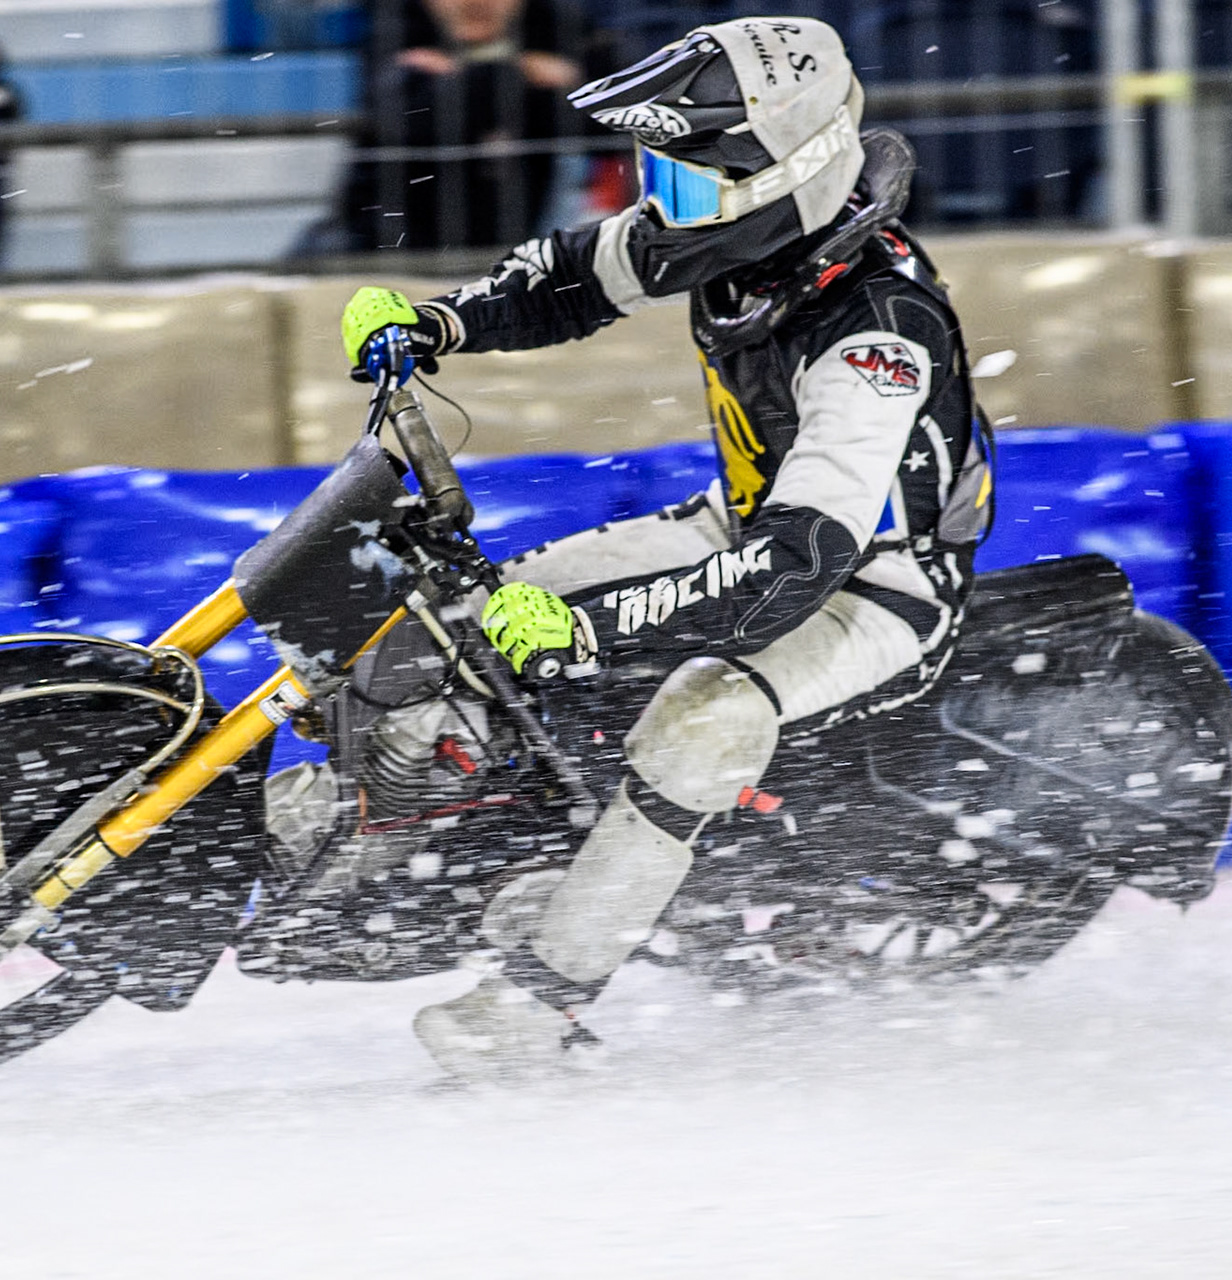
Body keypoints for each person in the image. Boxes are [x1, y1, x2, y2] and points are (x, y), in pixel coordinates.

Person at [335, 16, 995, 1080]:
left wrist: (591, 628)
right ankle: (441, 853)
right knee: (470, 619)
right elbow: (570, 279)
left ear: (794, 176)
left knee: (700, 721)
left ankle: (535, 1011)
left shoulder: (877, 330)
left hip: (876, 583)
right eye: (659, 175)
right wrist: (438, 324)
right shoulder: (746, 246)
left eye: (685, 184)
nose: (660, 208)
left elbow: (804, 558)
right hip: (746, 522)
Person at [310, 0, 600, 252]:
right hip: (372, 254)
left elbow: (606, 119)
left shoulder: (561, 30)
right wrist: (521, 70)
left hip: (505, 263)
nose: (475, 2)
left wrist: (467, 75)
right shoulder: (395, 32)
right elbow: (417, 118)